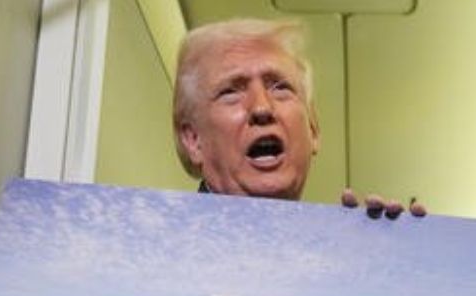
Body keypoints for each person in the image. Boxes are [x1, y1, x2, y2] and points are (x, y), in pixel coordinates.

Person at [172, 18, 425, 218]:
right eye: (230, 92)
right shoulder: (155, 256)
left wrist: (400, 262)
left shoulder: (343, 262)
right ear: (193, 140)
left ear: (313, 129)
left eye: (280, 87)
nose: (262, 108)